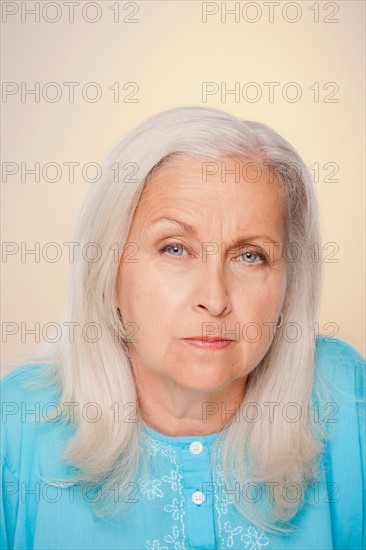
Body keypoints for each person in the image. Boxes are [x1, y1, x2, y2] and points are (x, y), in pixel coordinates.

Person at [1, 106, 365, 550]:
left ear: (290, 281)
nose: (214, 299)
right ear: (110, 270)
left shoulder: (345, 396)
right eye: (175, 249)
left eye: (250, 255)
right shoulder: (17, 422)